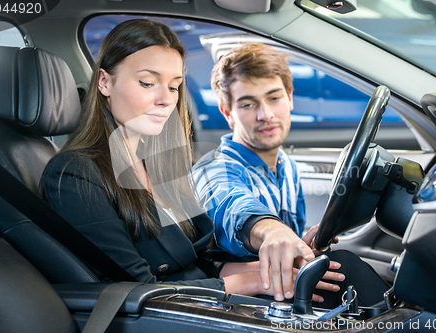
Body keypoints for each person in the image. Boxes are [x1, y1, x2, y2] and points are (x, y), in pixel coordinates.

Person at [40, 19, 297, 298]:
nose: (166, 99)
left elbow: (195, 263)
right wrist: (252, 283)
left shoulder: (158, 164)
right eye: (148, 82)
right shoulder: (73, 174)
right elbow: (135, 291)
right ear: (104, 82)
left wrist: (273, 269)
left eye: (174, 86)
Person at [192, 42, 390, 307]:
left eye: (274, 98)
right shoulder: (215, 168)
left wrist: (300, 247)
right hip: (234, 305)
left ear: (290, 98)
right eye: (248, 104)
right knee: (346, 268)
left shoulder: (287, 166)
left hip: (279, 291)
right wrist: (272, 231)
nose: (266, 114)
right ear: (228, 113)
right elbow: (231, 203)